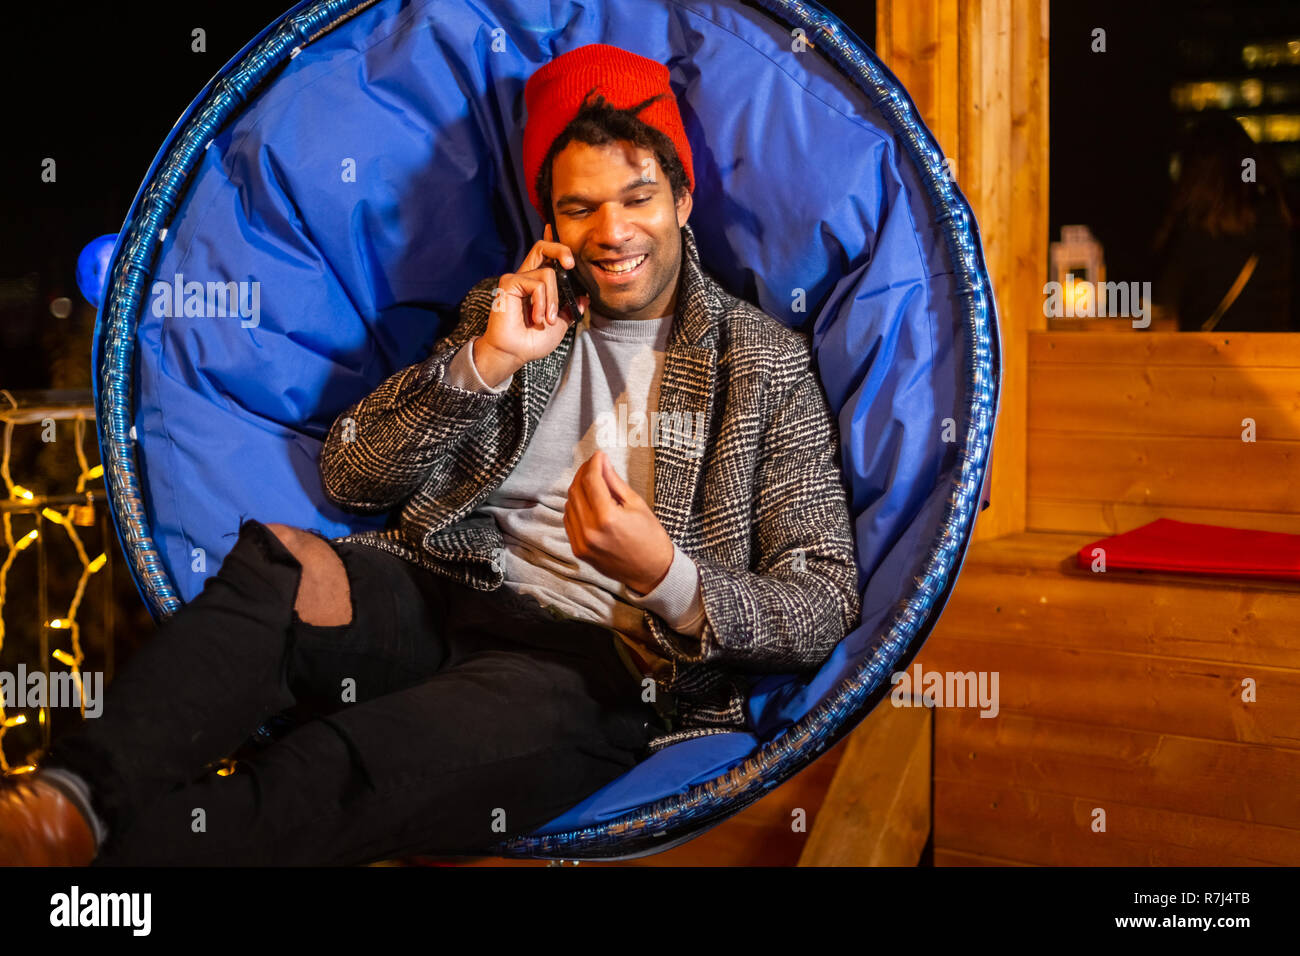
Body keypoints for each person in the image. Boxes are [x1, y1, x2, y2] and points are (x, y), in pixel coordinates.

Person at [0, 43, 860, 866]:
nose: (611, 231)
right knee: (282, 562)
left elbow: (823, 600)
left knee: (350, 758)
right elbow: (352, 474)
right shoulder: (513, 310)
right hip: (443, 591)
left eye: (636, 197)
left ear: (681, 197)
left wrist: (664, 573)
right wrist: (484, 364)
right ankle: (64, 807)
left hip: (604, 665)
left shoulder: (762, 364)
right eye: (578, 206)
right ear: (547, 218)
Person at [1152, 112, 1297, 332]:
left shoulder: (1192, 233)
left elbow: (1163, 317)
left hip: (1208, 362)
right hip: (1272, 361)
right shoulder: (1278, 223)